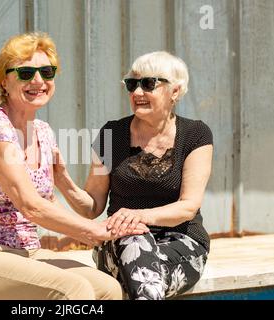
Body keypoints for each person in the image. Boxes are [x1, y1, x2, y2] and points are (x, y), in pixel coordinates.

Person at [0, 32, 149, 300]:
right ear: (4, 81)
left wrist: (65, 181)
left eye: (46, 71)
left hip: (28, 251)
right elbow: (29, 204)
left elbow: (47, 202)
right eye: (25, 72)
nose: (38, 81)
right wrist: (92, 231)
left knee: (108, 288)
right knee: (73, 291)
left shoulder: (42, 131)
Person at [53, 51, 213, 300]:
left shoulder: (195, 135)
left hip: (180, 243)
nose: (137, 93)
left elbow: (188, 207)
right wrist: (62, 178)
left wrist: (137, 216)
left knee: (141, 265)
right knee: (134, 241)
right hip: (119, 244)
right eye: (132, 84)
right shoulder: (111, 134)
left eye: (148, 84)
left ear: (175, 91)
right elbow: (92, 206)